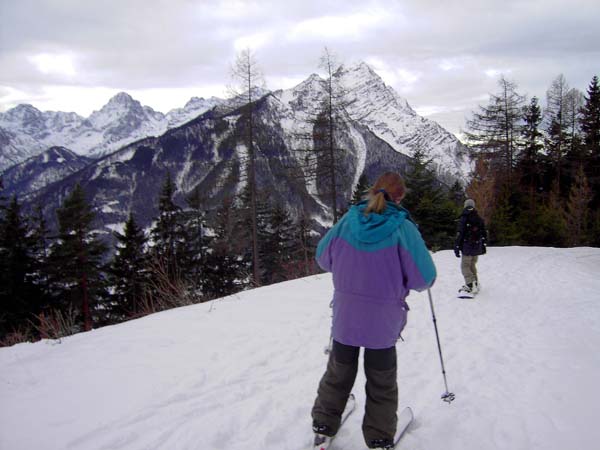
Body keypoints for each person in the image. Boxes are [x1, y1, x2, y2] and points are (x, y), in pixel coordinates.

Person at [311, 172, 436, 450]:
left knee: (338, 373)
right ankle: (379, 437)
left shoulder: (348, 221)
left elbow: (322, 257)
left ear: (372, 191)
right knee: (381, 381)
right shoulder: (403, 228)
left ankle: (323, 425)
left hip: (346, 317)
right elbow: (424, 279)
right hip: (382, 323)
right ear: (400, 197)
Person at [454, 198, 487, 296]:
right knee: (472, 264)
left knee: (465, 266)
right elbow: (484, 233)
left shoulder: (464, 217)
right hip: (476, 246)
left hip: (467, 245)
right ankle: (475, 282)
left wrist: (456, 246)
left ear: (465, 205)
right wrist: (483, 246)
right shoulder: (478, 217)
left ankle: (470, 284)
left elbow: (460, 233)